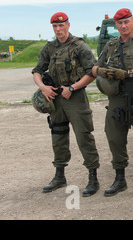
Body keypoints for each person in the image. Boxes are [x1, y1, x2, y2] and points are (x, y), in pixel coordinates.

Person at [92, 8, 133, 199]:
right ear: (116, 25)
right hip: (117, 100)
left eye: (126, 22)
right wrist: (106, 73)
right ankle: (120, 179)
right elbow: (96, 67)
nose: (123, 26)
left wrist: (129, 74)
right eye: (120, 23)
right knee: (114, 139)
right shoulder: (111, 45)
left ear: (132, 23)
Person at [32, 12, 100, 197]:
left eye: (61, 26)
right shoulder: (50, 47)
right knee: (58, 136)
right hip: (55, 98)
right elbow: (37, 71)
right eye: (55, 26)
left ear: (68, 25)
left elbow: (92, 72)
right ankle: (60, 176)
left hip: (75, 97)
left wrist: (73, 87)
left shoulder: (79, 46)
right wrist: (43, 88)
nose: (58, 30)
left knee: (83, 137)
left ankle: (93, 178)